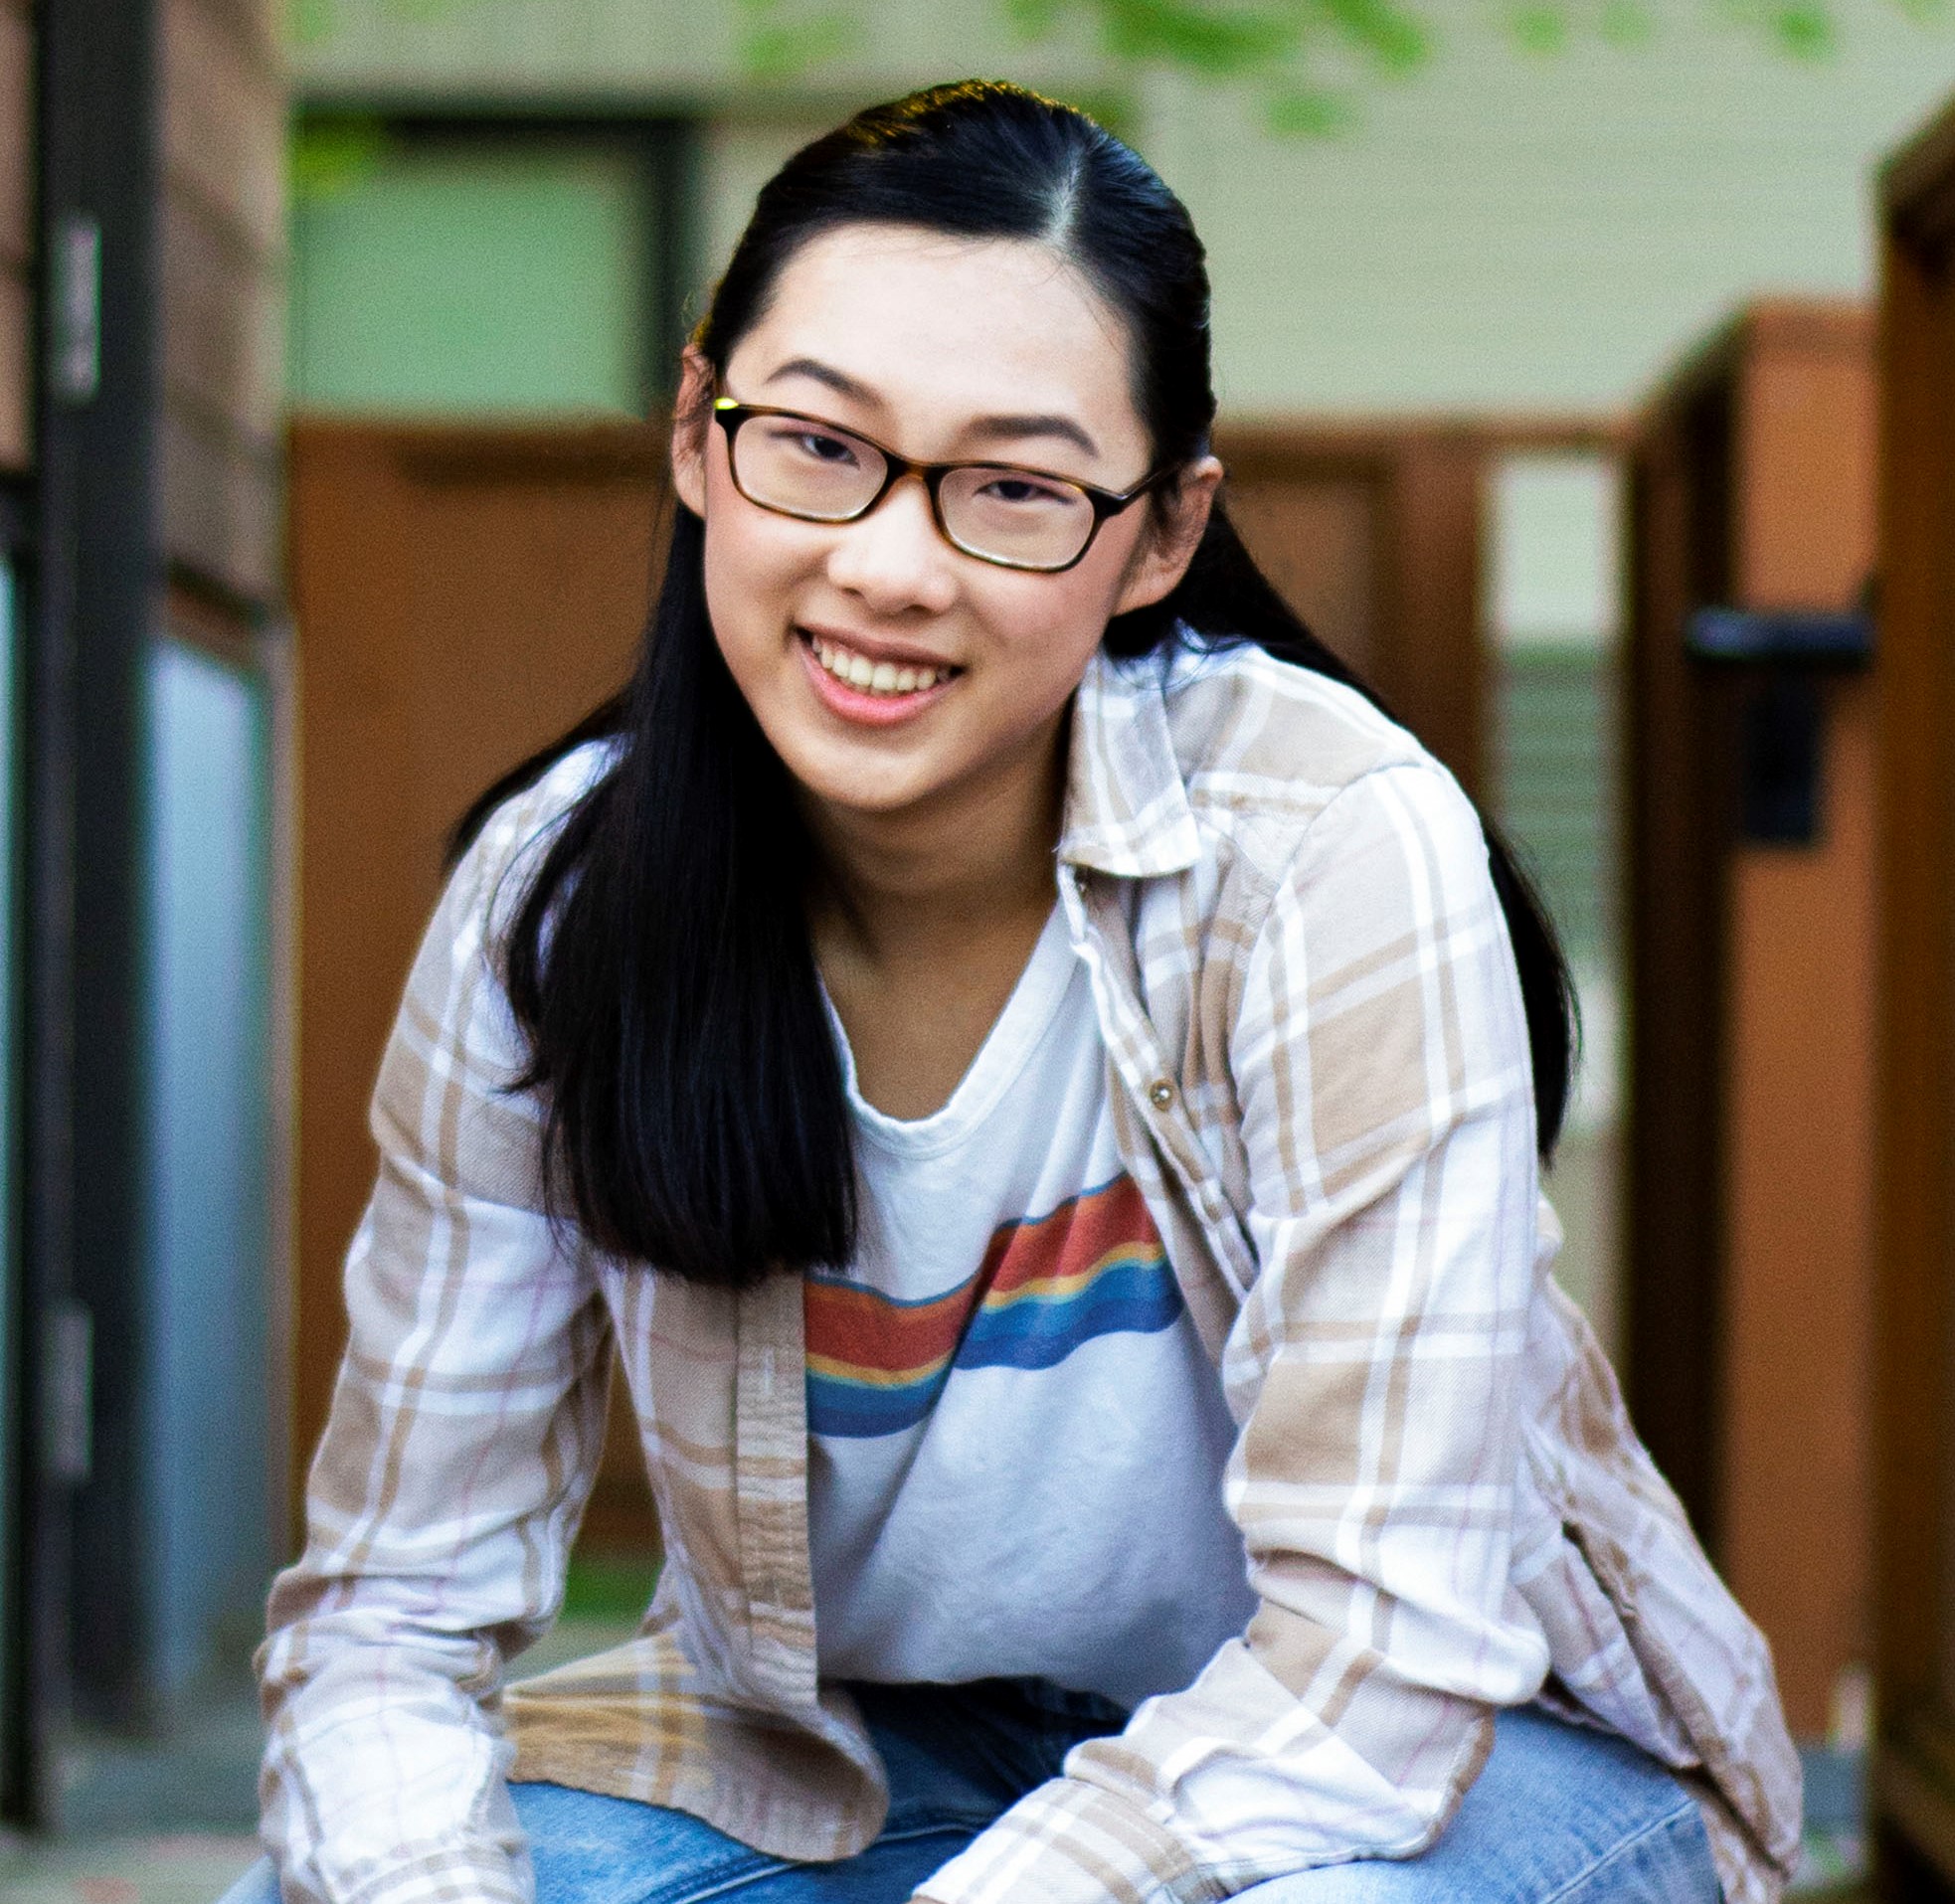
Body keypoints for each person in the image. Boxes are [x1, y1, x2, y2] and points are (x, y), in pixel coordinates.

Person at [231, 81, 1799, 1904]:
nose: (885, 566)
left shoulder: (1319, 851)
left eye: (1014, 490)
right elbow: (387, 1620)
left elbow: (1379, 1660)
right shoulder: (562, 902)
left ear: (1156, 535)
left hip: (1452, 1761)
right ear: (694, 431)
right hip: (867, 1756)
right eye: (816, 445)